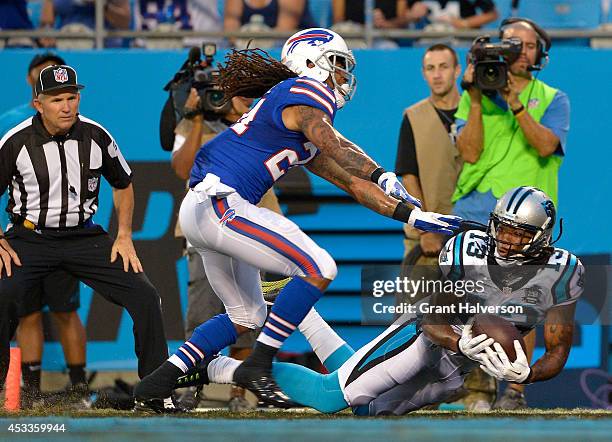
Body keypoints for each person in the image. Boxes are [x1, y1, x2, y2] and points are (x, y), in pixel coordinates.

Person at [134, 27, 461, 412]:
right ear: (310, 62)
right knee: (319, 266)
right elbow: (335, 144)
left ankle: (155, 385)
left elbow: (350, 182)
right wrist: (381, 173)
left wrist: (413, 215)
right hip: (221, 201)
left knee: (247, 315)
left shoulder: (294, 115)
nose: (342, 75)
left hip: (206, 207)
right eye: (338, 64)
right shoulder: (306, 93)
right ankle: (259, 365)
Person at [180, 186, 583, 416]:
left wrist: (526, 375)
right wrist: (462, 340)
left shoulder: (563, 271)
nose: (508, 240)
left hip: (457, 369)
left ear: (544, 236)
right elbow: (432, 317)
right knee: (330, 396)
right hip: (426, 337)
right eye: (505, 230)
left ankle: (302, 310)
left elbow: (559, 347)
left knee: (367, 412)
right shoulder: (470, 250)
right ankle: (212, 369)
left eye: (520, 234)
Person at [0, 64, 169, 393]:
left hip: (84, 237)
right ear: (38, 104)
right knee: (1, 294)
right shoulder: (16, 142)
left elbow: (123, 184)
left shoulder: (96, 135)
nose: (66, 106)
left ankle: (155, 391)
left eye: (72, 97)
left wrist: (123, 235)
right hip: (29, 237)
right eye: (57, 99)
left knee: (146, 296)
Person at [453, 17, 570, 408]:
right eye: (509, 43)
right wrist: (473, 94)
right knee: (464, 299)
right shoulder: (477, 97)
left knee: (527, 301)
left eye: (527, 44)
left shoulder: (554, 97)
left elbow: (544, 145)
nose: (518, 49)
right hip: (475, 207)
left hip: (528, 218)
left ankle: (514, 390)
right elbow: (468, 152)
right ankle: (468, 387)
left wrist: (515, 101)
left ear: (540, 55)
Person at [171, 88, 283, 411]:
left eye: (254, 95)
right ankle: (191, 387)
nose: (249, 99)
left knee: (249, 318)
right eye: (242, 94)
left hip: (250, 233)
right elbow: (182, 169)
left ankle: (239, 394)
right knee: (201, 314)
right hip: (206, 235)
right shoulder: (196, 124)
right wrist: (195, 119)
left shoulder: (265, 127)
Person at [0, 52, 89, 407]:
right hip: (24, 232)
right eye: (46, 82)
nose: (62, 102)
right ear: (34, 90)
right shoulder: (11, 126)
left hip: (61, 232)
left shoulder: (76, 125)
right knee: (27, 313)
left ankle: (80, 387)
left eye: (67, 93)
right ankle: (31, 388)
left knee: (66, 311)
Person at [394, 43, 462, 261]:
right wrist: (425, 229)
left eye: (443, 67)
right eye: (430, 68)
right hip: (429, 236)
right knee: (419, 295)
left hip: (473, 229)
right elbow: (408, 176)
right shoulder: (413, 116)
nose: (437, 74)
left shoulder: (478, 113)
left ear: (457, 70)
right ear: (423, 74)